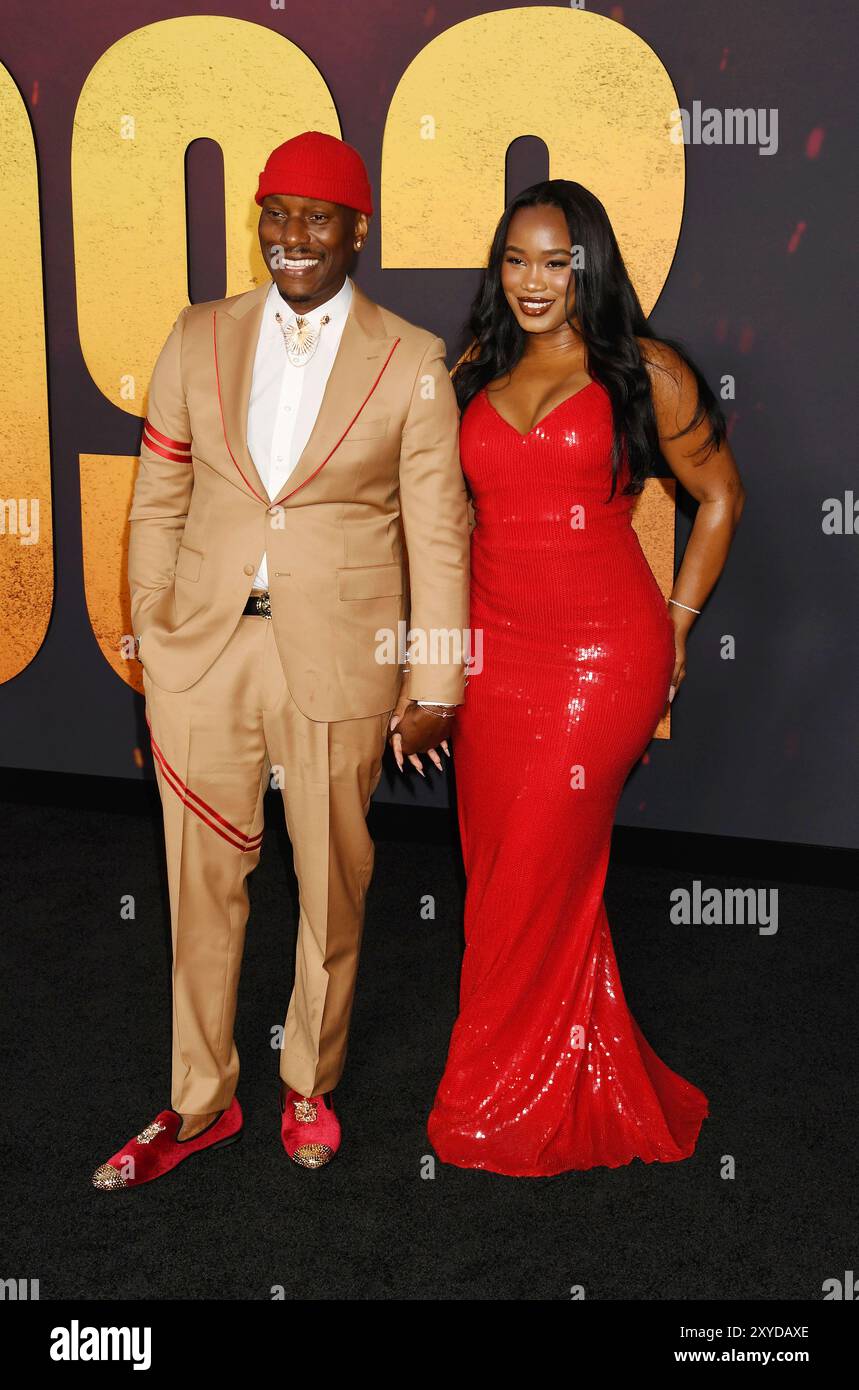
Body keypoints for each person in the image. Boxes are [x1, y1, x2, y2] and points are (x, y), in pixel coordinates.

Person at [92, 131, 470, 1188]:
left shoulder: (413, 360)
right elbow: (158, 497)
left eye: (316, 216)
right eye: (274, 212)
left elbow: (439, 535)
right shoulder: (197, 333)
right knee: (196, 880)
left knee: (332, 880)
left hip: (341, 657)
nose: (291, 235)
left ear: (358, 231)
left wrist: (436, 680)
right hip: (203, 651)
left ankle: (309, 1078)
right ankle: (199, 1098)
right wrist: (153, 630)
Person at [426, 179, 745, 1178]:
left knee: (535, 868)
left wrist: (679, 624)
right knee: (503, 873)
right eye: (515, 260)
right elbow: (442, 523)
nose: (533, 281)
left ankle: (496, 1094)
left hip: (601, 661)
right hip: (492, 660)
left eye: (555, 262)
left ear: (588, 267)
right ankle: (562, 1062)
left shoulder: (644, 369)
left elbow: (720, 496)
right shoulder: (475, 370)